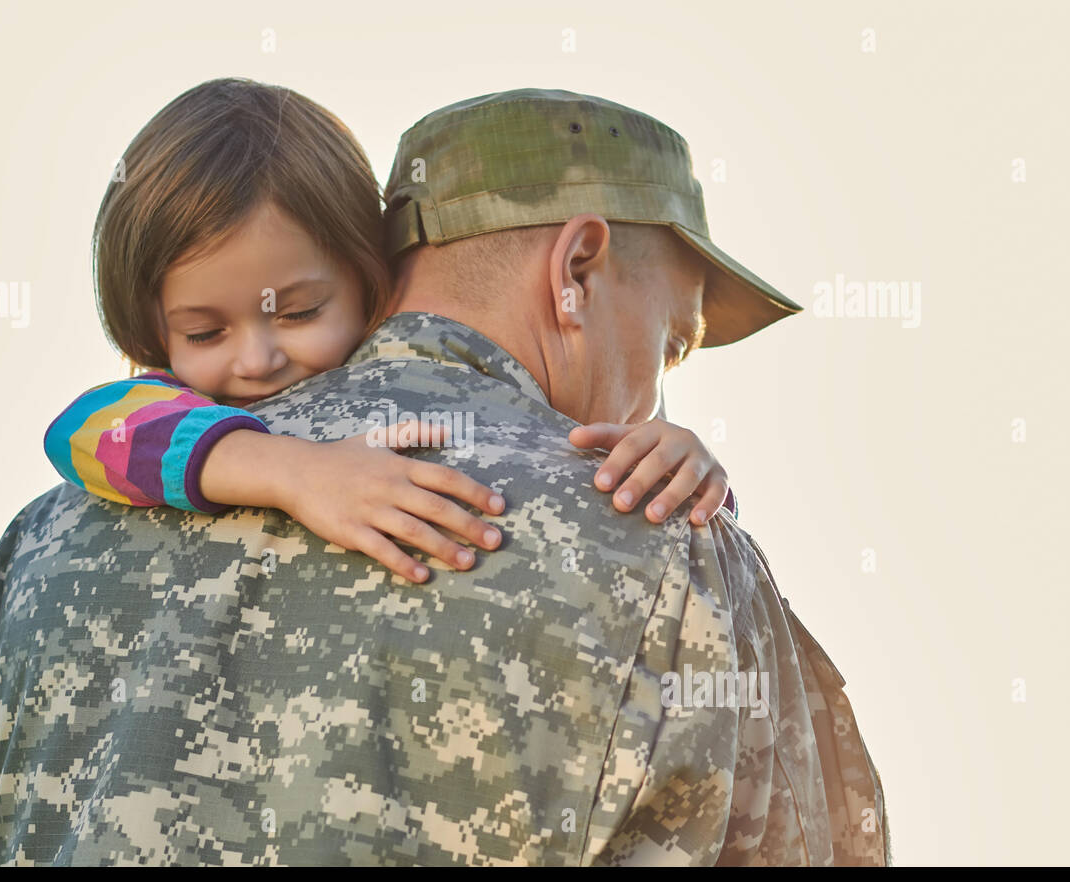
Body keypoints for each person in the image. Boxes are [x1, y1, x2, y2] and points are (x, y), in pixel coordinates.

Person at [0, 86, 888, 866]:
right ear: (577, 267)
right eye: (673, 344)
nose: (657, 404)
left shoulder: (37, 546)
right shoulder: (666, 546)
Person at [39, 79, 736, 587]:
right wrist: (292, 471)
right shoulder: (169, 408)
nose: (255, 360)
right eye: (204, 332)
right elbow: (80, 429)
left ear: (370, 281)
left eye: (298, 312)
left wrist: (681, 464)